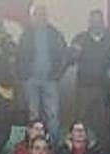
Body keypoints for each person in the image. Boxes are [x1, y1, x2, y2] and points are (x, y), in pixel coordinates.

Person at [17, 2, 68, 141]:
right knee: (33, 115)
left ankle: (53, 147)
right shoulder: (25, 34)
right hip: (30, 81)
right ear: (31, 16)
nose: (39, 17)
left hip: (50, 80)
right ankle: (33, 146)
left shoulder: (55, 34)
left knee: (53, 115)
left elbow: (64, 56)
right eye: (35, 14)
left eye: (41, 14)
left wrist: (57, 74)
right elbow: (19, 57)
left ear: (46, 16)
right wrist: (24, 76)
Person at [69, 9, 110, 154]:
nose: (96, 24)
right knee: (81, 121)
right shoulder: (80, 38)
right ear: (89, 22)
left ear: (103, 22)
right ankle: (79, 150)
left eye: (98, 20)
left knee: (103, 124)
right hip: (84, 87)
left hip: (103, 89)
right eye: (93, 20)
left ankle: (102, 153)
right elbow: (70, 60)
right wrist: (74, 53)